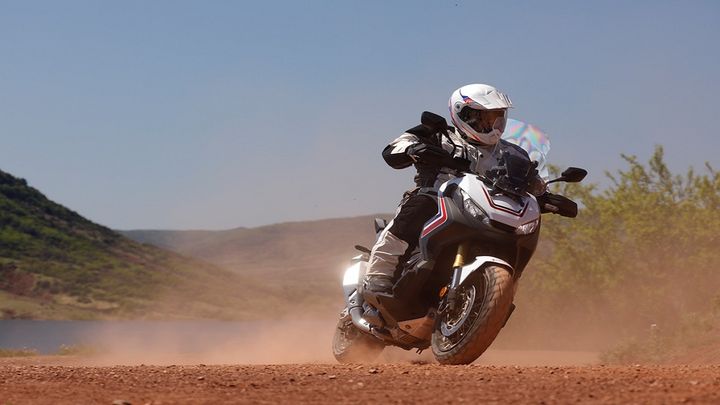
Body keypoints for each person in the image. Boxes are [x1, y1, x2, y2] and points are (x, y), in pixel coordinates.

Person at [363, 83, 540, 297]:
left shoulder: (510, 152)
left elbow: (531, 179)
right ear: (463, 114)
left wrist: (547, 195)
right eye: (484, 118)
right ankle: (378, 276)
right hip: (437, 198)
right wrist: (413, 148)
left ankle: (496, 294)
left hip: (482, 207)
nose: (492, 124)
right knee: (420, 206)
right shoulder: (438, 135)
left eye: (497, 117)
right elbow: (392, 150)